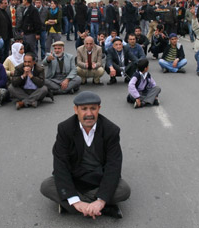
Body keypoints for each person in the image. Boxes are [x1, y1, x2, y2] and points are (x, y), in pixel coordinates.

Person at [40, 91, 131, 219]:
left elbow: (113, 165)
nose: (89, 114)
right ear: (76, 110)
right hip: (75, 179)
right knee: (46, 186)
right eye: (84, 109)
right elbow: (61, 164)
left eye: (93, 108)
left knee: (124, 190)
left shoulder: (111, 130)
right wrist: (75, 200)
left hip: (99, 180)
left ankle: (72, 206)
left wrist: (101, 199)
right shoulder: (65, 129)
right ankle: (102, 207)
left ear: (99, 109)